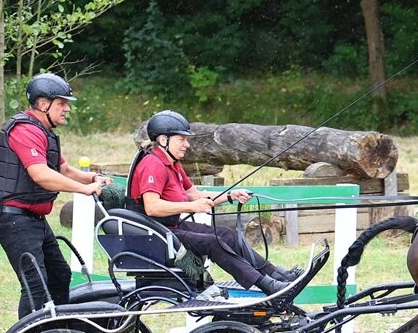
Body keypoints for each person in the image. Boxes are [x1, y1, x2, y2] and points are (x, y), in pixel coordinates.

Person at [128, 109, 299, 296]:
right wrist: (192, 207)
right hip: (157, 233)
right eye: (182, 139)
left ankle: (276, 274)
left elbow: (194, 195)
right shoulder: (153, 164)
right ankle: (268, 286)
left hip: (171, 227)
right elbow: (152, 207)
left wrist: (230, 196)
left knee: (227, 234)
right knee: (213, 242)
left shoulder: (172, 163)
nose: (187, 144)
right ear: (163, 140)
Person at [0, 73, 113, 318]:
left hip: (32, 218)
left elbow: (62, 169)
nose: (67, 109)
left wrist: (92, 178)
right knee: (36, 284)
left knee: (59, 275)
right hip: (13, 218)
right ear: (43, 104)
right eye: (62, 103)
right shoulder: (24, 130)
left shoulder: (44, 131)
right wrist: (84, 189)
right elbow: (41, 174)